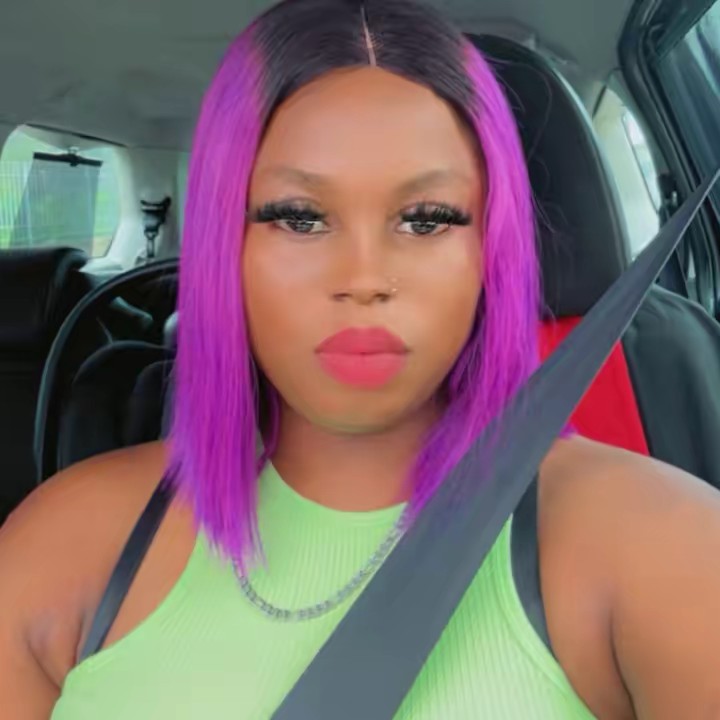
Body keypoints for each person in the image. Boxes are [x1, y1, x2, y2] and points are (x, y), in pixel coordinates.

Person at [2, 0, 720, 717]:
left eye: (427, 218)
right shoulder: (63, 542)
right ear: (226, 246)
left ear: (490, 250)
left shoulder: (660, 546)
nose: (365, 277)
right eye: (298, 217)